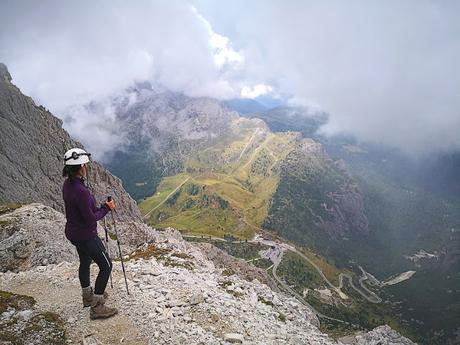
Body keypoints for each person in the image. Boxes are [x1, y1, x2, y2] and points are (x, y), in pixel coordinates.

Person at [62, 147, 118, 320]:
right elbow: (91, 218)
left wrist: (101, 207)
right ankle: (97, 307)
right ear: (80, 168)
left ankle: (88, 297)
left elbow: (85, 210)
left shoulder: (68, 185)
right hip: (86, 235)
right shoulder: (81, 191)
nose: (87, 167)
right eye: (85, 165)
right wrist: (107, 209)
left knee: (85, 261)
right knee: (106, 265)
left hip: (73, 233)